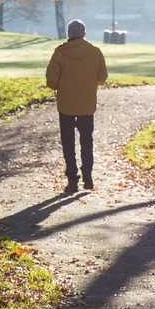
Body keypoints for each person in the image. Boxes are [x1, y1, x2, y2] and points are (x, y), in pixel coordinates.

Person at [46, 19, 108, 194]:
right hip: (87, 105)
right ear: (84, 34)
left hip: (66, 104)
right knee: (86, 140)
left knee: (68, 142)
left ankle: (72, 179)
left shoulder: (60, 52)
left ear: (68, 34)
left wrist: (61, 85)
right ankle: (87, 173)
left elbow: (51, 81)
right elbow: (102, 77)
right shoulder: (95, 52)